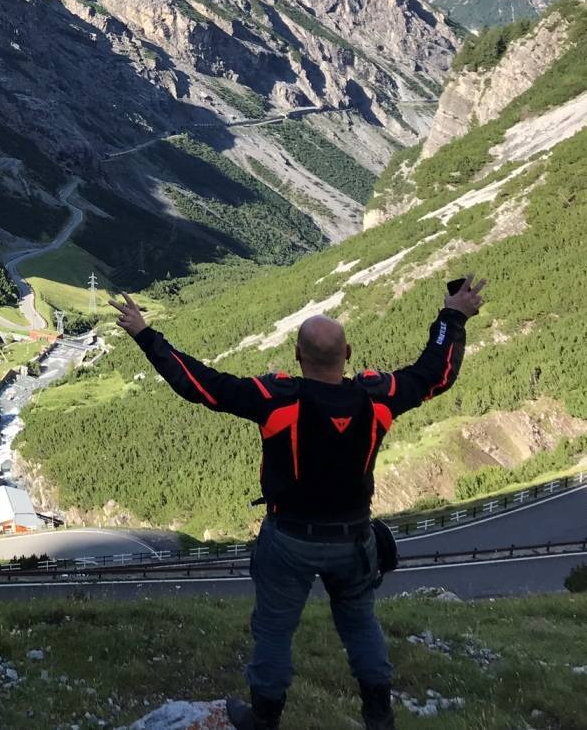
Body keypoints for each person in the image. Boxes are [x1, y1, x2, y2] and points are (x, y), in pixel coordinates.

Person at [110, 275, 486, 730]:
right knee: (361, 625)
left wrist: (145, 334)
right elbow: (435, 374)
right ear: (348, 354)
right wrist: (453, 315)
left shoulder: (276, 400)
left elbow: (201, 384)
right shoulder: (379, 398)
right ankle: (379, 716)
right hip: (354, 538)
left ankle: (264, 718)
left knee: (274, 630)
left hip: (289, 539)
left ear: (297, 356)